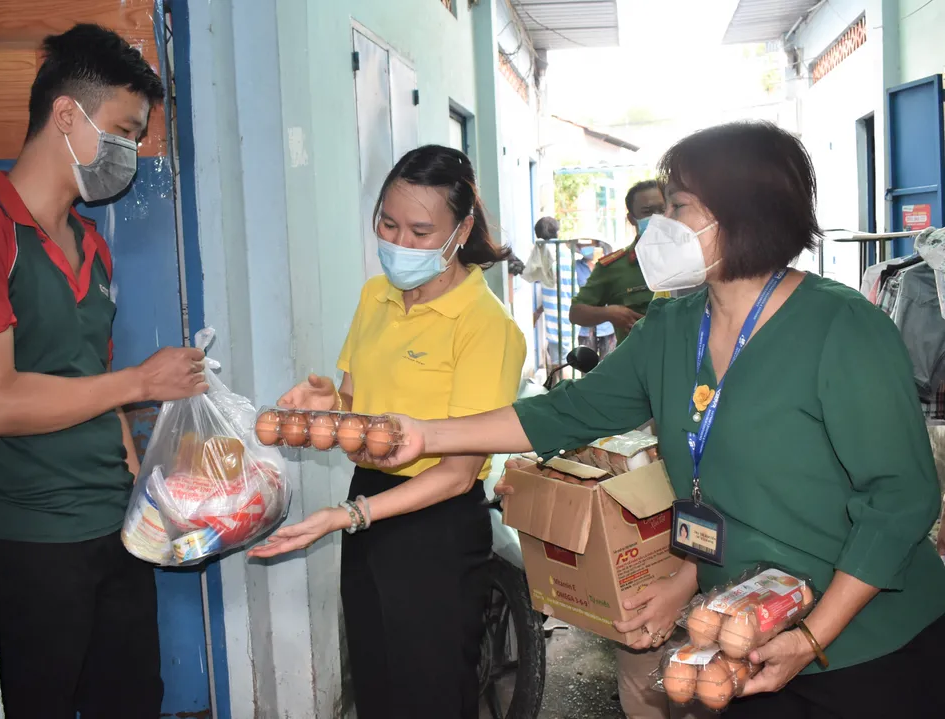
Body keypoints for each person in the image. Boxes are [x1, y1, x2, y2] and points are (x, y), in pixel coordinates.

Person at [370, 122, 945, 718]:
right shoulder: (674, 327)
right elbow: (569, 412)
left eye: (679, 207)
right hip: (746, 632)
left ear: (744, 213)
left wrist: (811, 638)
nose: (657, 226)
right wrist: (427, 434)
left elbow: (901, 499)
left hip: (867, 646)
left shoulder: (842, 329)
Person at [0, 25, 208, 719]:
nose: (130, 153)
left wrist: (140, 482)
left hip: (115, 533)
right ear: (66, 115)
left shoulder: (93, 247)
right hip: (35, 541)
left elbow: (90, 387)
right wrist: (139, 382)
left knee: (132, 700)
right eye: (125, 131)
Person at [248, 145, 526, 719]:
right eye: (388, 223)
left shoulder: (486, 327)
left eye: (422, 231)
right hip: (368, 502)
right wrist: (330, 404)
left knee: (430, 695)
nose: (400, 243)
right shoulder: (375, 295)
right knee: (376, 684)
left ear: (463, 228)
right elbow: (358, 405)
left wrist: (348, 516)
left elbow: (457, 473)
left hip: (437, 528)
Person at [569, 180, 666, 342]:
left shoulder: (695, 259)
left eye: (663, 210)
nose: (657, 218)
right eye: (647, 212)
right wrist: (610, 313)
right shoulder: (613, 267)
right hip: (637, 362)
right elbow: (576, 313)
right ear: (632, 218)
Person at [536, 216, 577, 368]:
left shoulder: (544, 253)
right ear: (557, 232)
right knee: (566, 363)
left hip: (556, 318)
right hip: (568, 315)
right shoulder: (566, 252)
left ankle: (561, 389)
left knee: (560, 365)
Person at [576, 245, 616, 357]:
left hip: (607, 325)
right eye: (583, 244)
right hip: (585, 325)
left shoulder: (609, 266)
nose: (586, 247)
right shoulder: (576, 267)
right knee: (585, 364)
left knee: (608, 364)